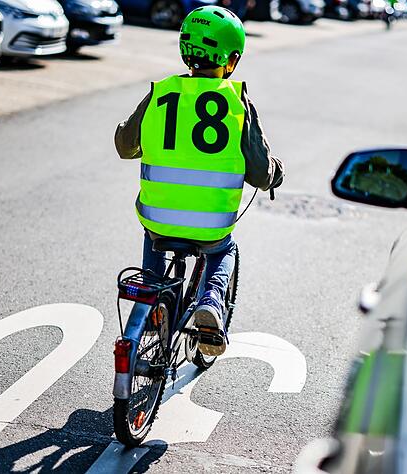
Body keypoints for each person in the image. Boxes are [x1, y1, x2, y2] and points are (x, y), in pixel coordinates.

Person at [114, 6, 284, 357]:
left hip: (159, 218)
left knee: (155, 235)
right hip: (210, 226)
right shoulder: (237, 102)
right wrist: (275, 173)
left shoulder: (161, 93)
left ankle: (152, 294)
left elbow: (125, 145)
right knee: (225, 250)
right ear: (232, 60)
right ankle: (211, 301)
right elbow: (259, 173)